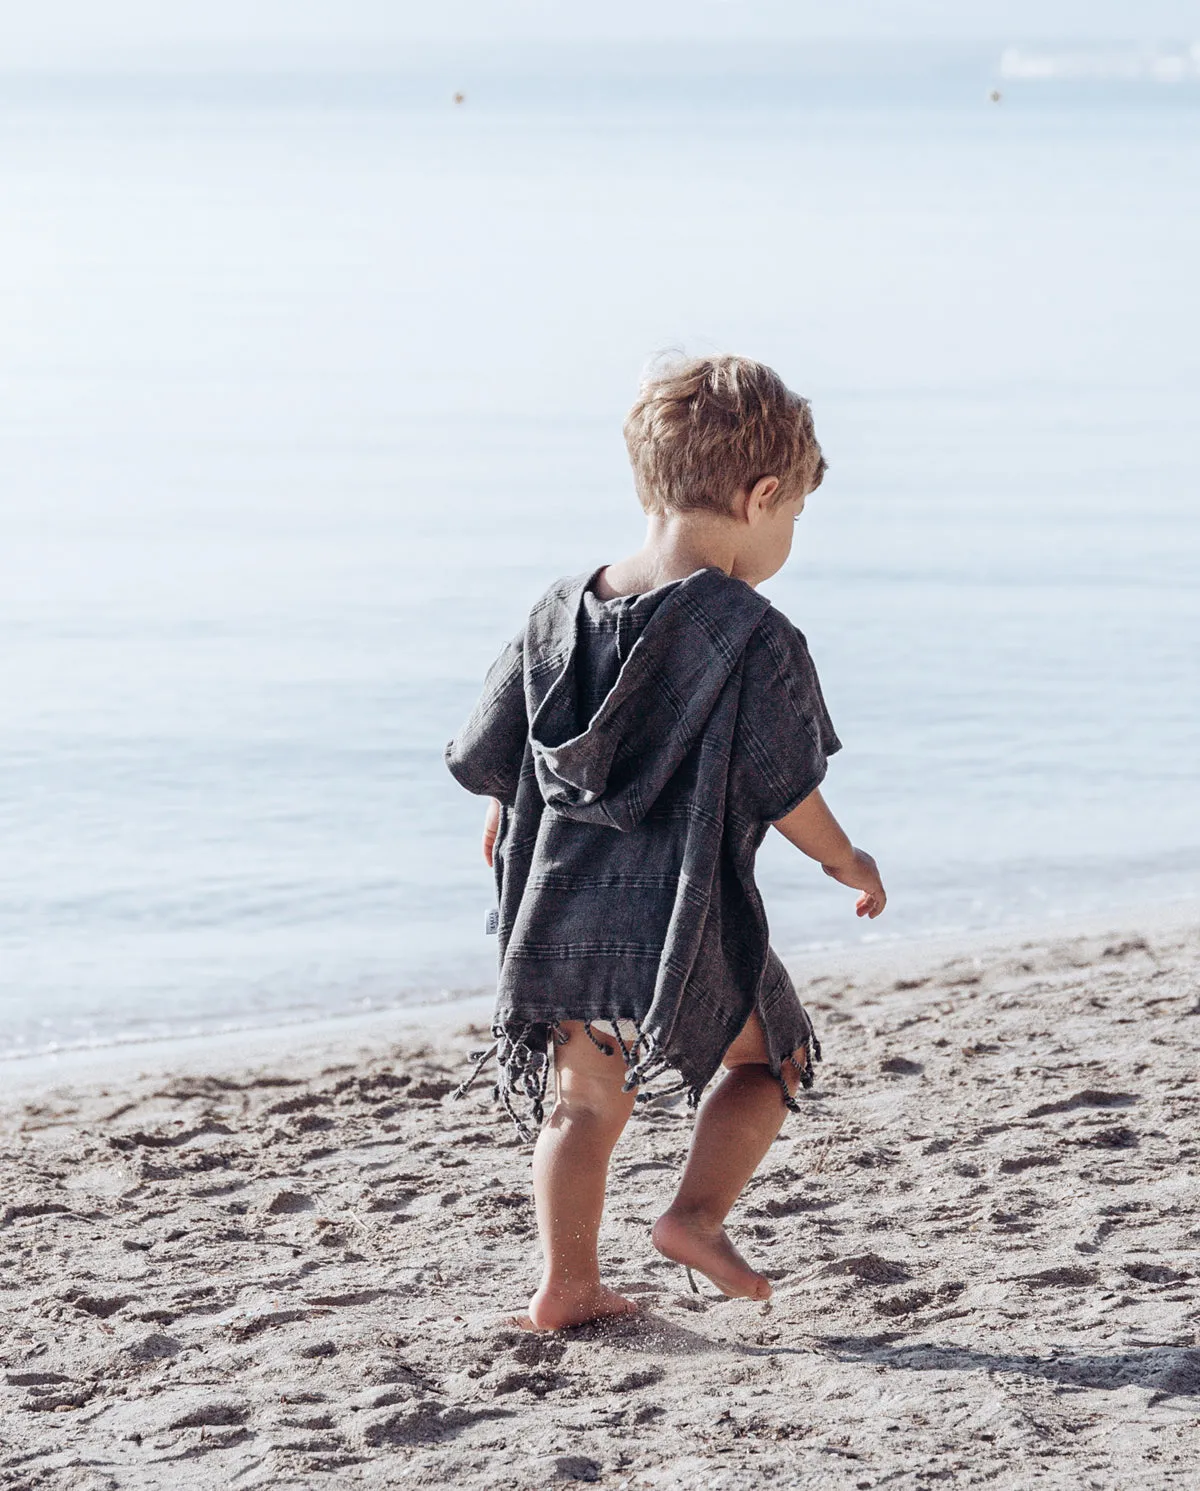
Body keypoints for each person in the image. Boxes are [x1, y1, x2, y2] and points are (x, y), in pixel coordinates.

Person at [446, 355, 886, 1331]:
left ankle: (564, 1287)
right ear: (760, 493)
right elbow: (787, 788)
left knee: (582, 1109)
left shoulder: (557, 611)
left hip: (561, 920)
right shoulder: (750, 633)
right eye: (793, 517)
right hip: (681, 925)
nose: (787, 537)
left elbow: (500, 761)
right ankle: (694, 1217)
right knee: (774, 1062)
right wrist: (843, 860)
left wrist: (504, 819)